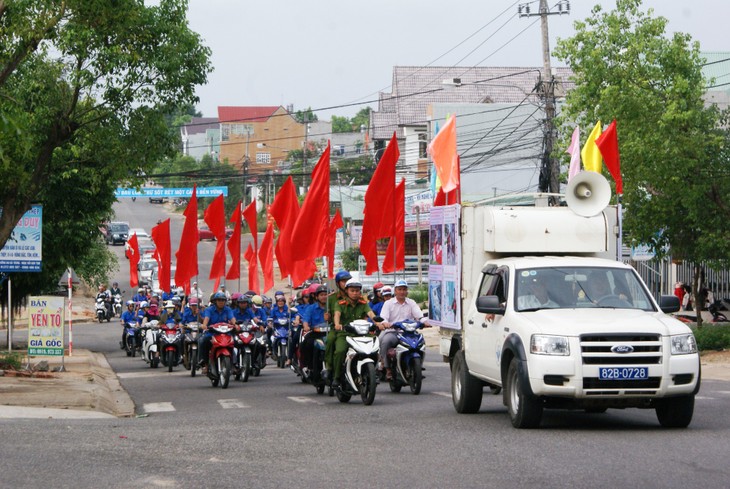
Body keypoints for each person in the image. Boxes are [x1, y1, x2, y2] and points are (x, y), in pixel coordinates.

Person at [330, 278, 381, 388]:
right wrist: (337, 324)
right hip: (344, 334)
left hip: (362, 333)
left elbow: (371, 313)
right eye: (352, 290)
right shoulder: (340, 303)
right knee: (340, 351)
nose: (355, 293)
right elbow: (337, 315)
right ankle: (336, 377)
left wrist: (378, 323)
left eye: (357, 291)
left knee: (375, 347)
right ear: (347, 291)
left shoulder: (363, 303)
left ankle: (374, 371)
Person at [378, 279, 427, 380]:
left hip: (409, 333)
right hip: (393, 332)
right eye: (399, 289)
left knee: (422, 343)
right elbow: (383, 318)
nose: (402, 292)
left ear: (407, 291)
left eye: (404, 289)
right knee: (386, 342)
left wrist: (424, 321)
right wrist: (385, 323)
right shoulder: (388, 303)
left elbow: (419, 316)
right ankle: (388, 369)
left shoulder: (411, 303)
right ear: (395, 291)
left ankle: (418, 366)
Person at [198, 292, 236, 372]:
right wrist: (204, 325)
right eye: (219, 300)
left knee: (235, 341)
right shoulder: (209, 309)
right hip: (212, 333)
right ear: (215, 301)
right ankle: (204, 363)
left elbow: (232, 318)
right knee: (202, 340)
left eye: (223, 300)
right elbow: (206, 318)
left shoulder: (228, 309)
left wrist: (235, 324)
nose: (221, 302)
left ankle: (234, 363)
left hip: (225, 333)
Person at [324, 270, 352, 379]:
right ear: (338, 283)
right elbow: (330, 316)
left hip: (355, 328)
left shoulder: (356, 295)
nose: (345, 283)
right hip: (338, 328)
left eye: (348, 281)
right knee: (330, 340)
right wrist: (328, 317)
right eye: (343, 281)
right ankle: (329, 366)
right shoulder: (331, 298)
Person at [299, 285, 329, 373]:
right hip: (315, 333)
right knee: (306, 344)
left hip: (329, 333)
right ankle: (308, 366)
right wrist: (306, 326)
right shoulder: (311, 308)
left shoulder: (332, 307)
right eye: (321, 295)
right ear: (316, 297)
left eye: (325, 294)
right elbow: (305, 320)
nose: (324, 297)